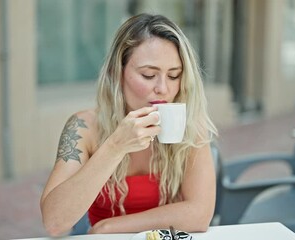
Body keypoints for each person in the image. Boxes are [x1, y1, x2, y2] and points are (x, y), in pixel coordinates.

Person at [40, 13, 218, 237]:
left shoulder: (190, 126)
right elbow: (54, 222)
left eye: (174, 76)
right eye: (148, 74)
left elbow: (200, 214)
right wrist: (115, 146)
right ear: (117, 72)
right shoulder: (84, 127)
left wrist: (110, 226)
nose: (163, 88)